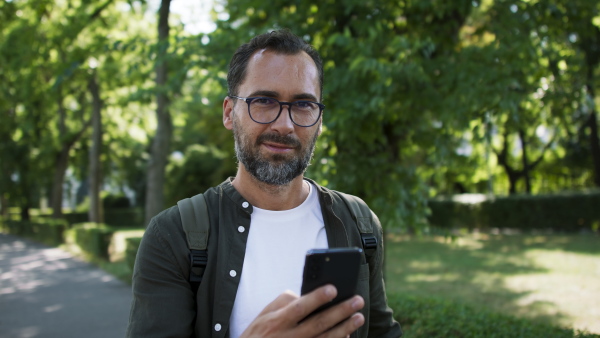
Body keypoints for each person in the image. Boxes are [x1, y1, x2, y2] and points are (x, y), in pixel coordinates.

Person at [127, 30, 402, 338]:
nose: (284, 124)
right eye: (264, 101)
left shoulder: (359, 222)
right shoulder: (173, 235)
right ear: (230, 113)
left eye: (303, 105)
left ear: (320, 120)